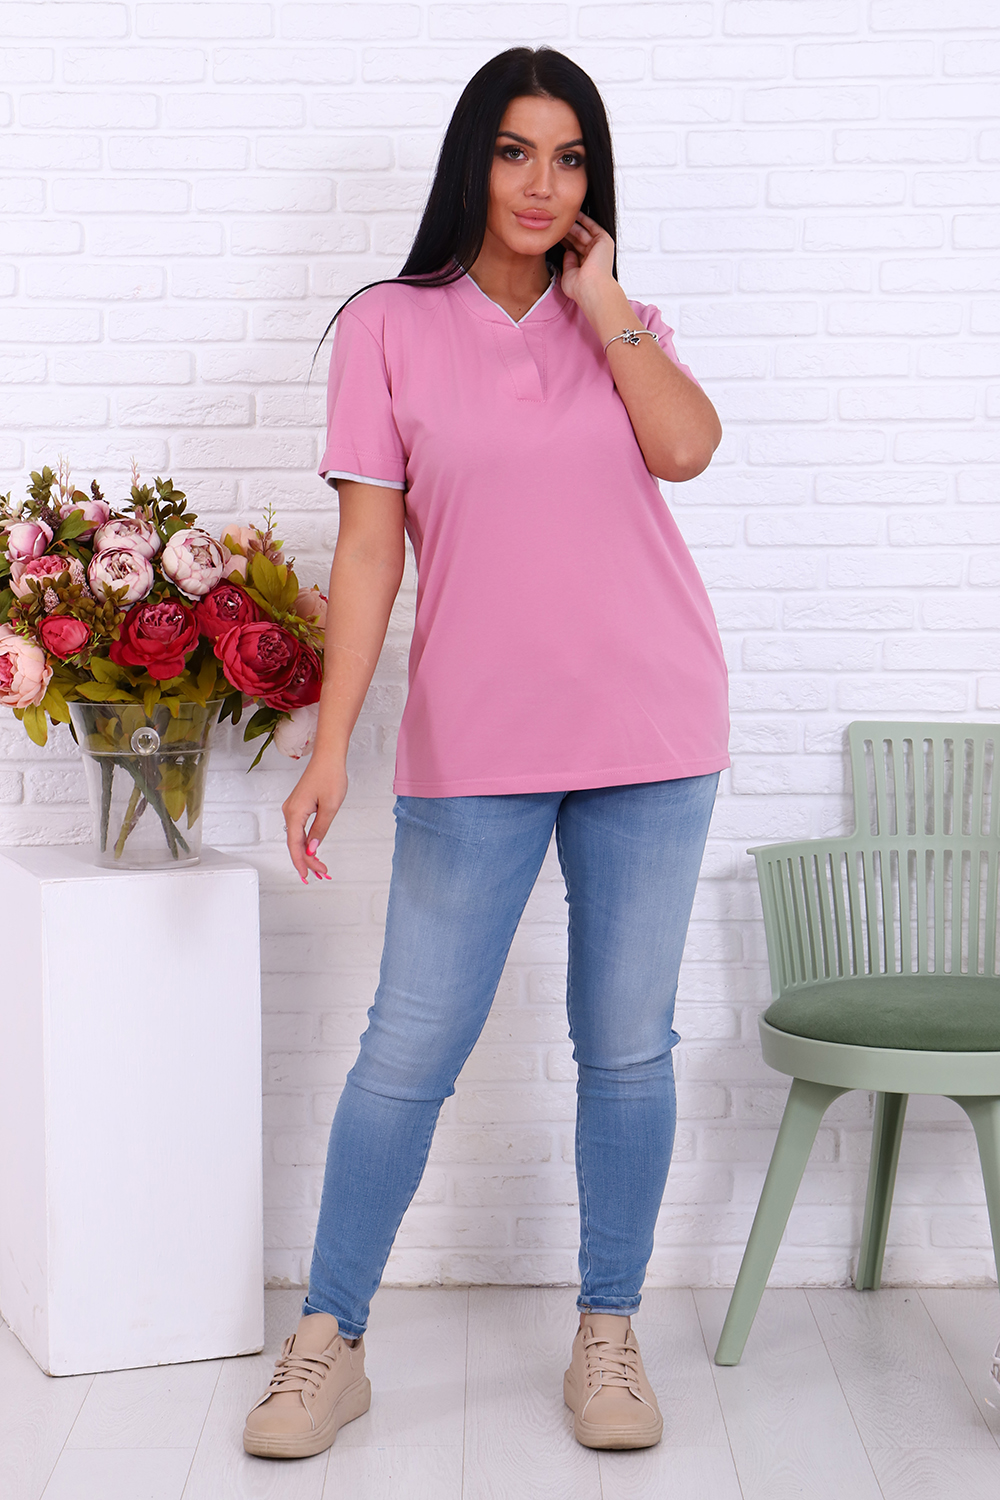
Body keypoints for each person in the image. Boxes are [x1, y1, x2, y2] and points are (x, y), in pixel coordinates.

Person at [242, 46, 729, 1460]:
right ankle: (329, 1342)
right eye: (516, 151)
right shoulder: (389, 326)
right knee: (409, 1046)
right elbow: (369, 553)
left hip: (653, 727)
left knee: (626, 1047)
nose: (541, 182)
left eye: (569, 159)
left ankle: (609, 1333)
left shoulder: (619, 323)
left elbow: (689, 450)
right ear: (475, 160)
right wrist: (330, 745)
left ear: (593, 183)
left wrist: (607, 304)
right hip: (476, 741)